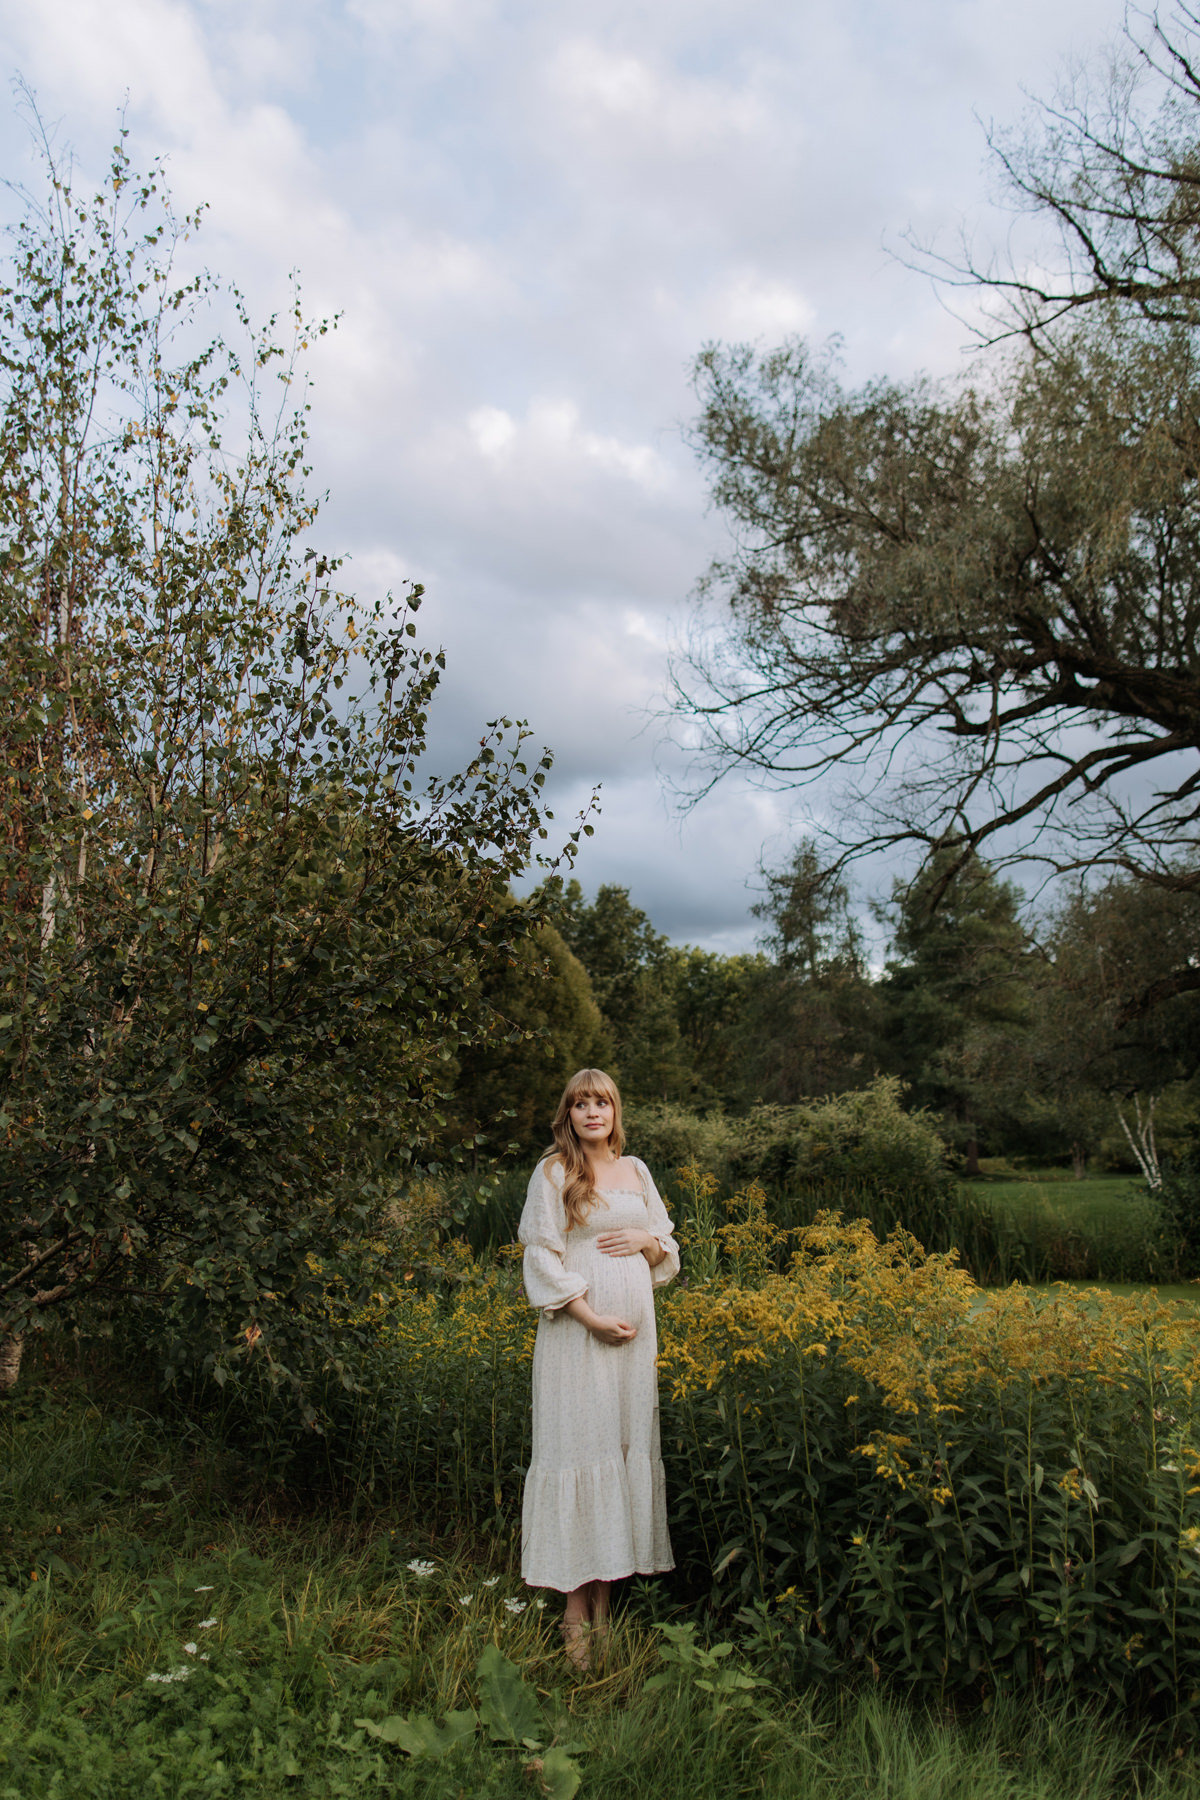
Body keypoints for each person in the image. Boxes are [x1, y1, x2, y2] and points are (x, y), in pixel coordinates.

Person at [517, 1068, 679, 1669]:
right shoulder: (554, 1172)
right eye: (581, 1103)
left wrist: (644, 1240)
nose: (592, 1112)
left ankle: (605, 1610)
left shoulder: (636, 1170)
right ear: (569, 1113)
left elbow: (666, 1248)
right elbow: (541, 1256)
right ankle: (574, 1615)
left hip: (633, 1347)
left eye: (602, 1102)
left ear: (615, 1111)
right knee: (579, 1449)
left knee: (618, 1449)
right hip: (577, 1338)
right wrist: (590, 1318)